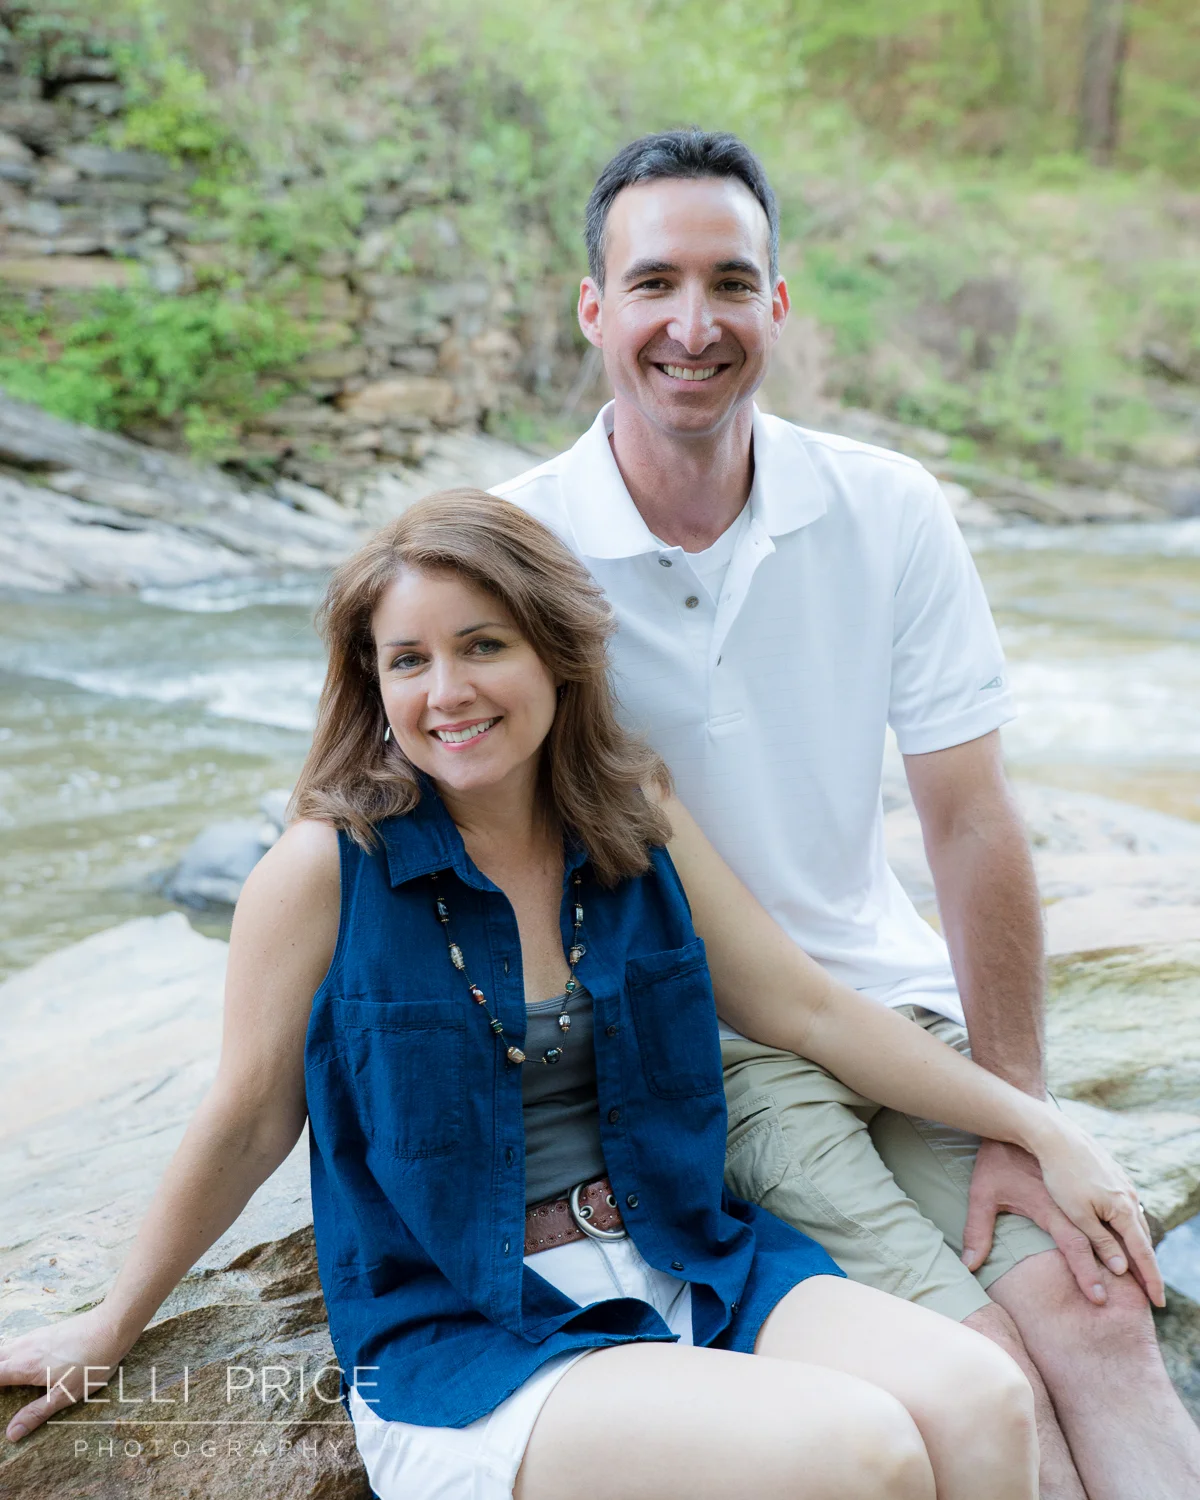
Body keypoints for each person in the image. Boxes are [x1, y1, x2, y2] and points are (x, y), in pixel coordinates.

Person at [0, 491, 1156, 1500]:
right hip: (470, 1330)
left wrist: (1035, 1124)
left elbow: (806, 1011)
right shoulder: (322, 870)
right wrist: (109, 1329)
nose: (446, 693)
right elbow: (248, 1116)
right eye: (407, 661)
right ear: (373, 683)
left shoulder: (631, 816)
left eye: (482, 646)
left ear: (555, 651)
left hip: (685, 1255)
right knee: (866, 1455)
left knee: (981, 1398)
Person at [493, 129, 1200, 1499]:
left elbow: (973, 821)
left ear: (779, 303)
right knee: (980, 1358)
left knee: (1101, 1312)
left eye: (730, 282)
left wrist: (1015, 1106)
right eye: (652, 285)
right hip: (705, 1049)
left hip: (894, 1011)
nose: (692, 325)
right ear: (593, 309)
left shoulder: (886, 508)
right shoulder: (515, 553)